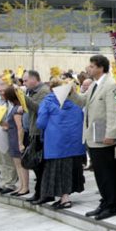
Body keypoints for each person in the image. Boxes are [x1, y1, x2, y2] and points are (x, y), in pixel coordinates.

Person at [69, 55, 116, 220]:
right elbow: (83, 101)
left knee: (107, 173)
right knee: (99, 173)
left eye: (92, 66)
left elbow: (113, 111)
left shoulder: (110, 84)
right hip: (92, 135)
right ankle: (105, 201)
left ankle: (112, 205)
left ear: (101, 68)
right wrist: (71, 93)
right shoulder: (93, 85)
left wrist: (111, 134)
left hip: (103, 136)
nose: (89, 68)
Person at [36, 78, 86, 208]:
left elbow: (40, 123)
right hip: (74, 144)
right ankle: (65, 197)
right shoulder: (75, 102)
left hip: (56, 144)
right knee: (69, 170)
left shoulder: (47, 102)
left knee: (58, 171)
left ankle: (65, 199)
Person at [22, 70, 52, 205]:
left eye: (25, 80)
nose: (24, 83)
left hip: (41, 133)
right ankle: (39, 192)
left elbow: (40, 109)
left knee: (40, 165)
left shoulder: (44, 91)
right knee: (37, 166)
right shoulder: (33, 91)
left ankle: (44, 193)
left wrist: (24, 98)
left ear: (34, 79)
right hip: (34, 131)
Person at [1, 86, 29, 196]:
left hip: (16, 139)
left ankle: (25, 187)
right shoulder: (14, 107)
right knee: (17, 164)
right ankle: (21, 185)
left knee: (21, 164)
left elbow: (19, 127)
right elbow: (11, 125)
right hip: (12, 137)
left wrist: (20, 143)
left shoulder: (17, 108)